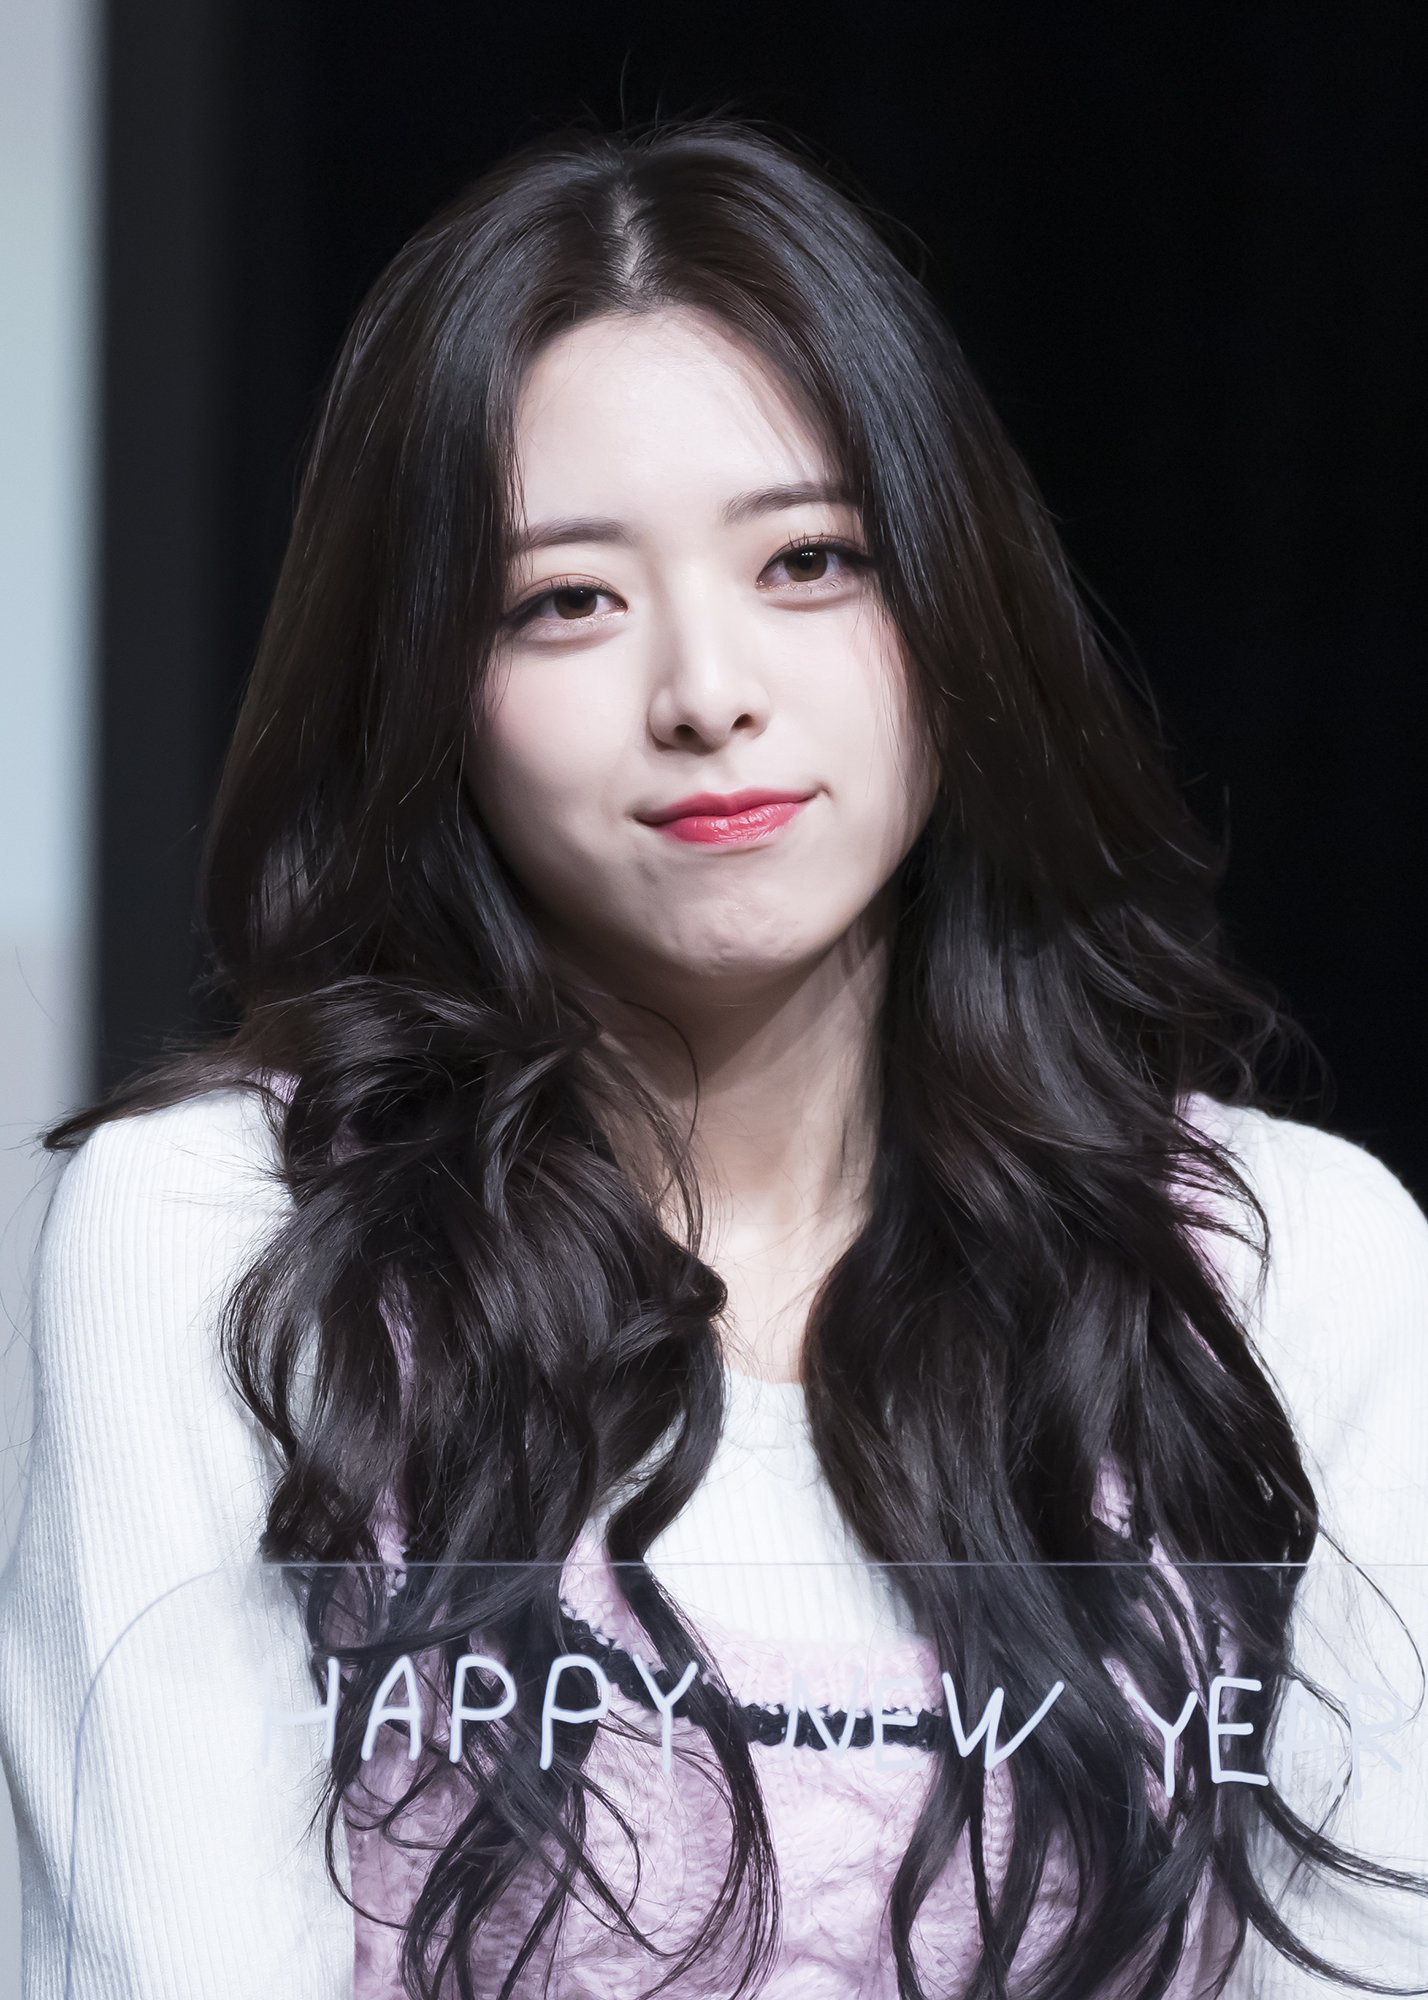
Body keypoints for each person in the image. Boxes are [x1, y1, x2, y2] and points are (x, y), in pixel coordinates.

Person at [3, 120, 1427, 2000]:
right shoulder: (220, 1242)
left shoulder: (1285, 1268)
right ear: (426, 689)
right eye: (565, 600)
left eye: (811, 560)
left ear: (956, 604)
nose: (707, 691)